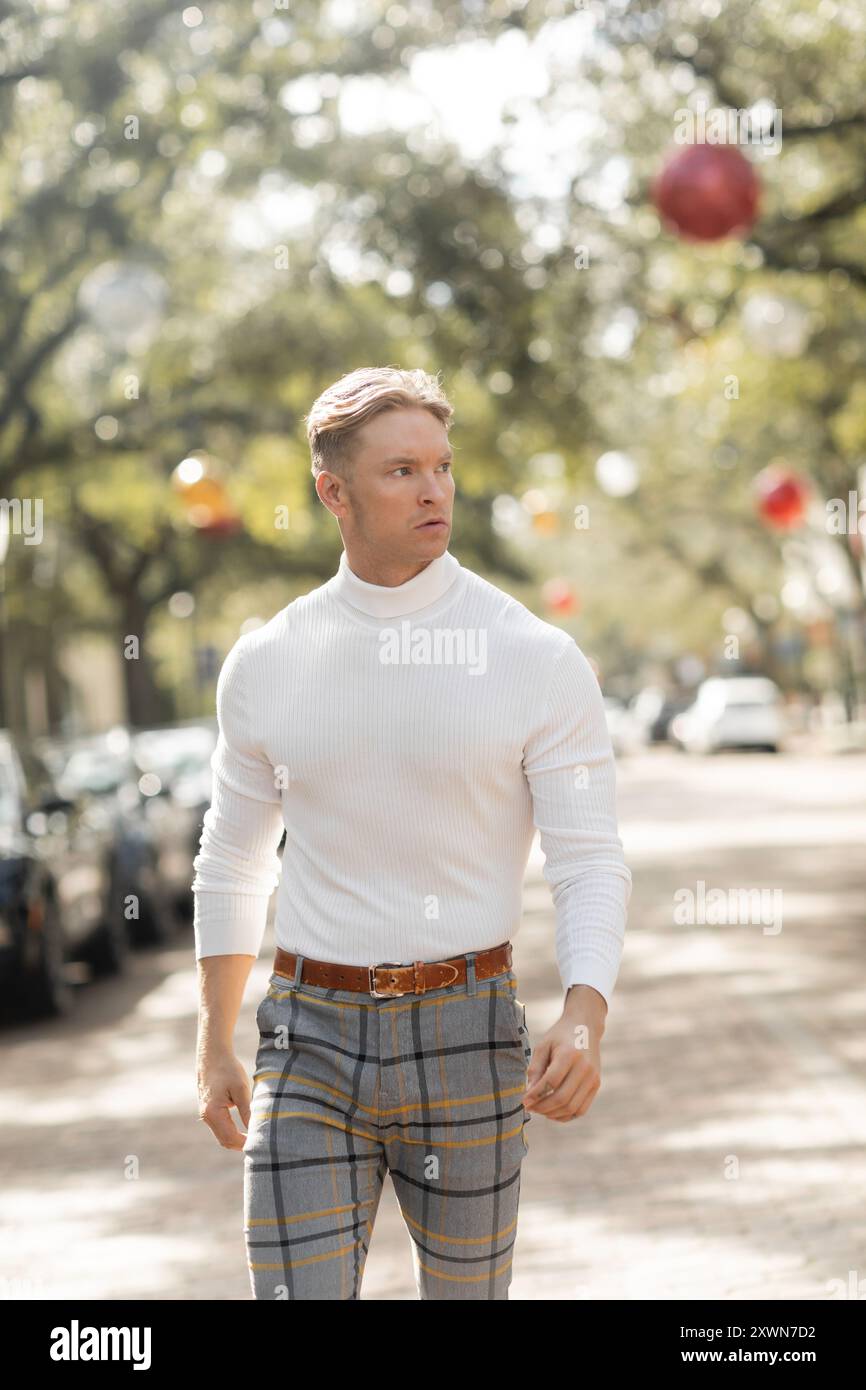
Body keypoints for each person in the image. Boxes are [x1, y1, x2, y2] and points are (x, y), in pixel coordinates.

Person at [192, 365, 632, 1300]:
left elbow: (588, 855)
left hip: (467, 1033)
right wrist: (213, 1038)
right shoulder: (267, 661)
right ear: (333, 491)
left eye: (442, 466)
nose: (434, 489)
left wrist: (586, 1013)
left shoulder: (533, 656)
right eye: (401, 471)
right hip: (307, 1039)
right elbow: (231, 859)